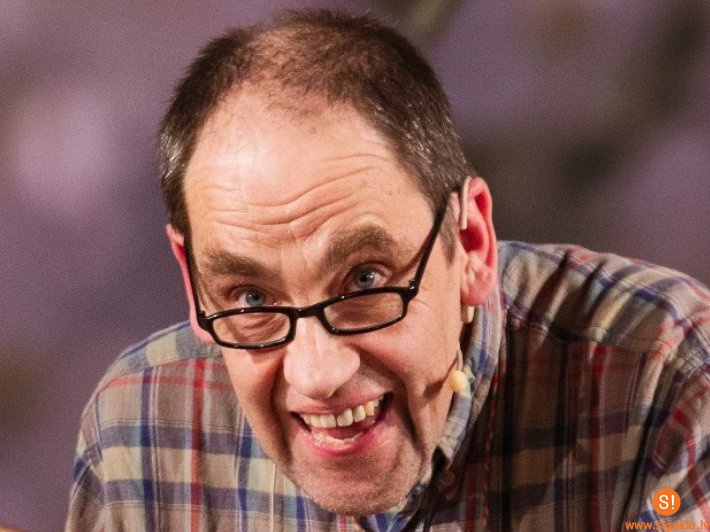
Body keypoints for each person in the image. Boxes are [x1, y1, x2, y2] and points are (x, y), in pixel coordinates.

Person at [66, 10, 710, 531]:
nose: (318, 375)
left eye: (366, 281)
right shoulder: (138, 428)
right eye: (251, 297)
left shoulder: (670, 379)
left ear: (471, 242)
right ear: (191, 281)